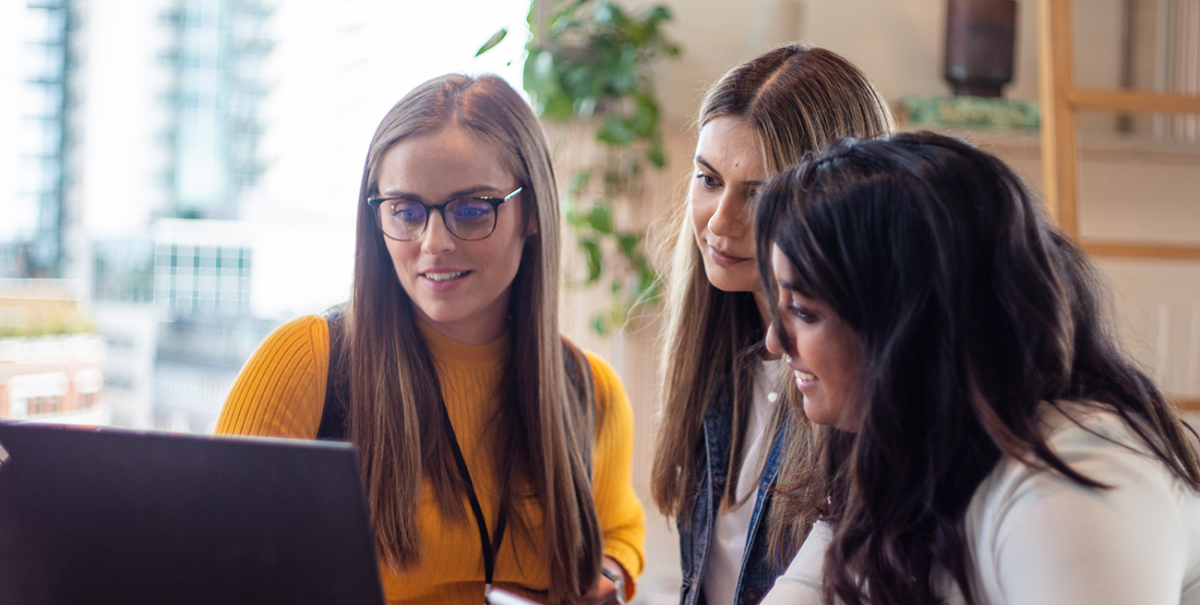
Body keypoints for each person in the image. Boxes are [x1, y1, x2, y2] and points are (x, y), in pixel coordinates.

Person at [215, 74, 644, 605]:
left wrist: (606, 574)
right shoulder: (307, 363)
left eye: (471, 209)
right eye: (405, 211)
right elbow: (216, 567)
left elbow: (620, 531)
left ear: (531, 212)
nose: (434, 243)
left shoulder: (588, 389)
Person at [755, 131, 1200, 605]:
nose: (774, 341)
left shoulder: (1070, 485)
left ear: (915, 320)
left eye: (803, 311)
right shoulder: (913, 449)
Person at [650, 44, 894, 605]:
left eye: (759, 194)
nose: (720, 221)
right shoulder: (712, 349)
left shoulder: (866, 390)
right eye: (709, 180)